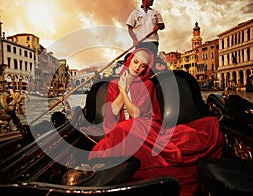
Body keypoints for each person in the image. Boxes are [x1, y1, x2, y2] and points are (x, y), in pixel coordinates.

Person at [88, 48, 224, 196]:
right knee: (117, 133)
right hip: (123, 130)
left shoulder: (147, 85)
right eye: (135, 62)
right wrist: (122, 88)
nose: (138, 68)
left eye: (143, 66)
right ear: (129, 61)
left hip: (142, 128)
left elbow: (136, 114)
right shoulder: (114, 84)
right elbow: (113, 111)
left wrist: (123, 91)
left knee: (125, 129)